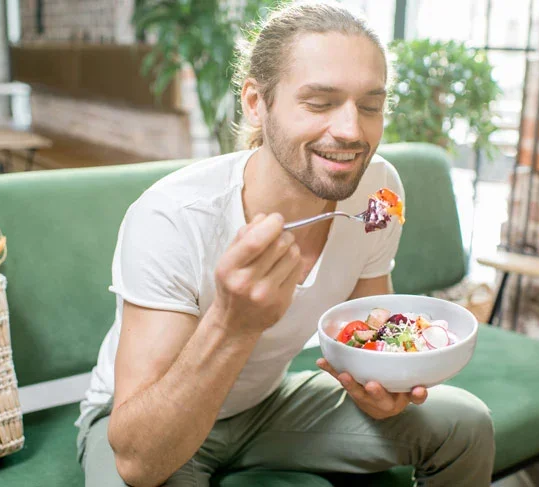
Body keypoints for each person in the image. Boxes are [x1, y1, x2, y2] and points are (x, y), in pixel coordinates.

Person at [75, 2, 495, 486]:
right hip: (148, 421)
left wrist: (380, 383)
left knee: (465, 423)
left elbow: (369, 330)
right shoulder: (173, 217)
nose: (351, 131)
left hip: (265, 407)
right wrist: (233, 324)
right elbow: (137, 460)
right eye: (319, 103)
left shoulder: (378, 190)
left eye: (371, 105)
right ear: (255, 101)